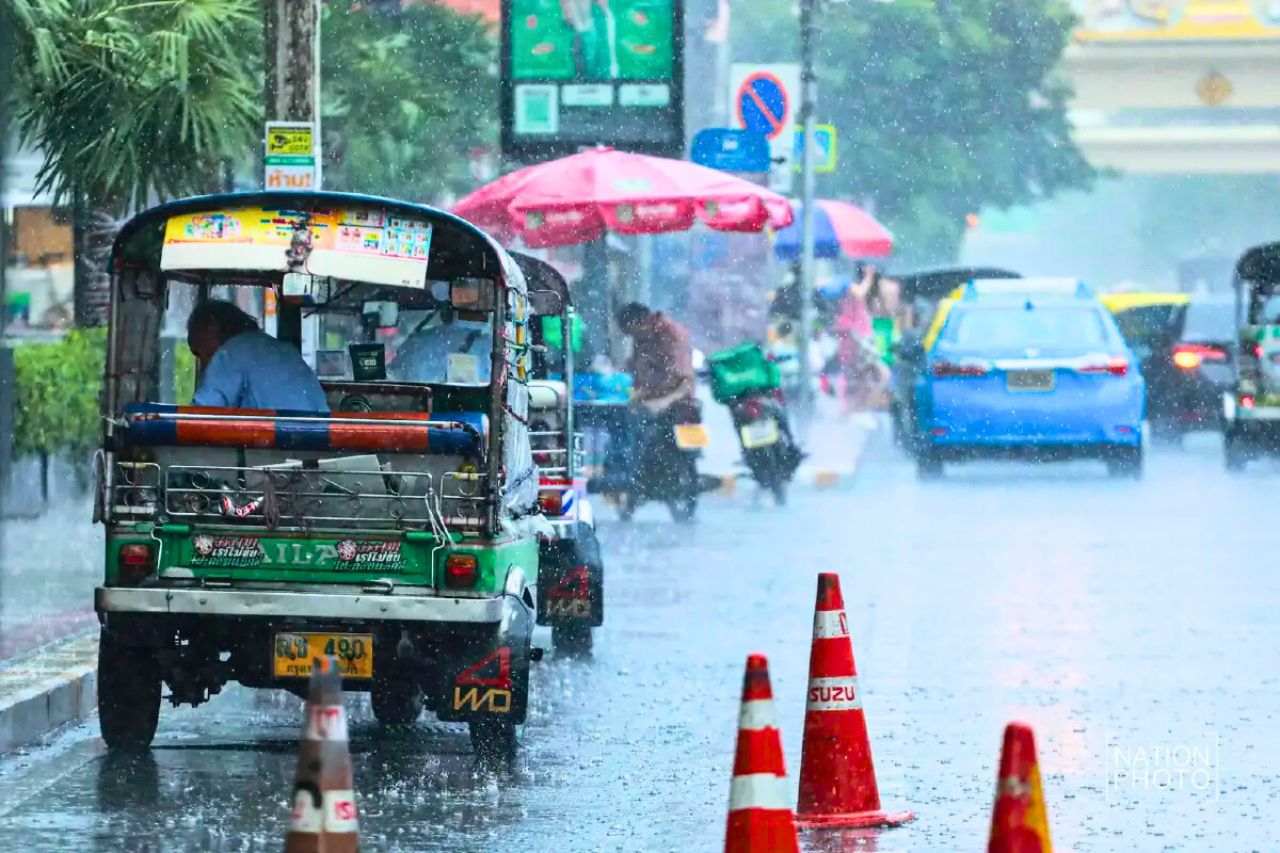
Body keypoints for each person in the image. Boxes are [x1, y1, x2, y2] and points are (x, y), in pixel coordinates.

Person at [187, 299, 328, 411]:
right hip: (319, 442)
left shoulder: (229, 354)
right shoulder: (285, 350)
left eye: (200, 353)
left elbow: (200, 415)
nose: (204, 365)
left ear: (211, 328)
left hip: (271, 444)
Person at [614, 302, 695, 415]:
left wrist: (664, 402)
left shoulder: (672, 334)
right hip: (648, 406)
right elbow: (636, 369)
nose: (634, 338)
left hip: (679, 408)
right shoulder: (641, 336)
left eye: (634, 333)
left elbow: (687, 382)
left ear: (643, 322)